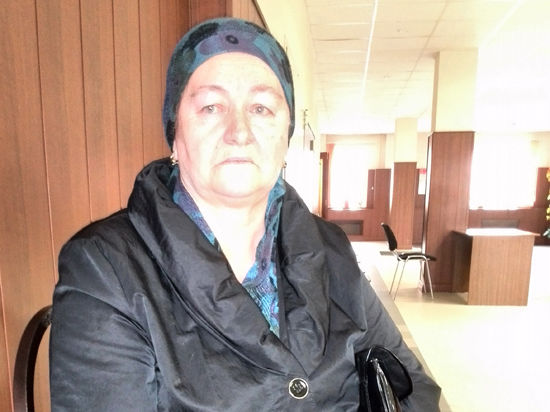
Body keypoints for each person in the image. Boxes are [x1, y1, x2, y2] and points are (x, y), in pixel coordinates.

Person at [50, 17, 441, 411]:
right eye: (211, 107)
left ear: (286, 134)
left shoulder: (329, 247)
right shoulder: (104, 268)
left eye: (261, 108)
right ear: (175, 132)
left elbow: (414, 389)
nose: (239, 132)